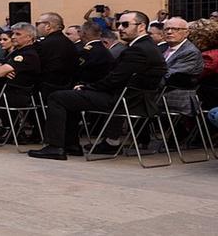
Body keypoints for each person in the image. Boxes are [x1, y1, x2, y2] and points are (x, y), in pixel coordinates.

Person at [29, 11, 168, 160]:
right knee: (69, 97)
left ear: (141, 27)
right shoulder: (147, 46)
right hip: (134, 99)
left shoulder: (138, 49)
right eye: (119, 24)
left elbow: (115, 79)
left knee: (57, 97)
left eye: (125, 24)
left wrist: (88, 87)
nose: (120, 28)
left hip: (123, 101)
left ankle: (55, 147)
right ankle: (71, 145)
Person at [160, 16, 203, 113]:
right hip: (159, 95)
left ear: (186, 33)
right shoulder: (161, 48)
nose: (169, 32)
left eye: (175, 29)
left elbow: (170, 76)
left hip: (177, 97)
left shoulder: (190, 52)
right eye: (166, 29)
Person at [35, 12, 78, 92]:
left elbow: (35, 66)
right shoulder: (69, 43)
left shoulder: (44, 44)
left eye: (38, 23)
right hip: (66, 88)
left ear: (48, 26)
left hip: (45, 88)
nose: (36, 27)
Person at [75, 21, 116, 86]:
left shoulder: (87, 52)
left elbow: (77, 71)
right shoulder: (104, 49)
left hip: (89, 87)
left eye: (79, 32)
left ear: (84, 33)